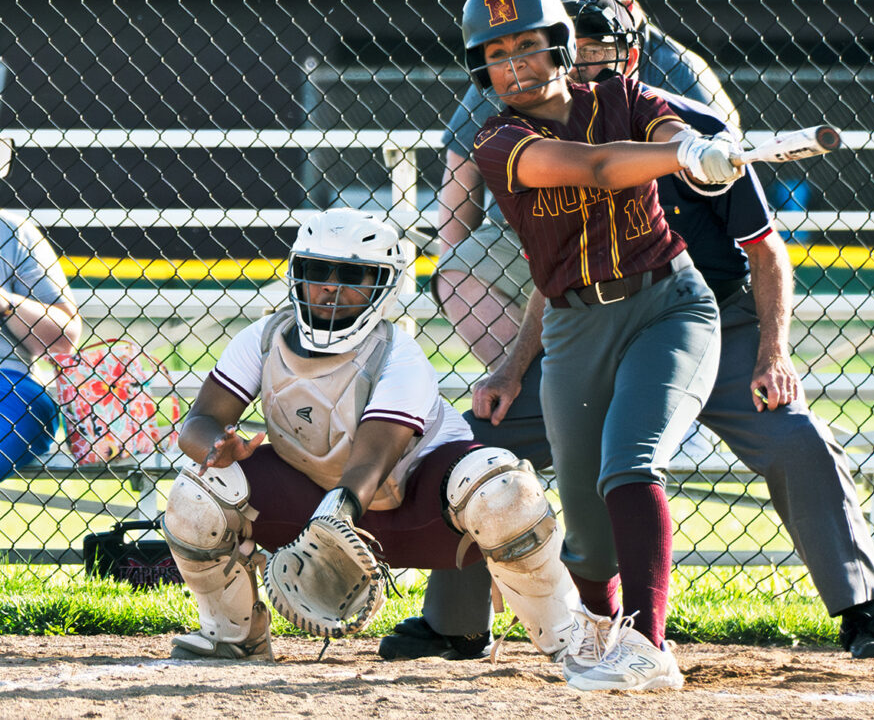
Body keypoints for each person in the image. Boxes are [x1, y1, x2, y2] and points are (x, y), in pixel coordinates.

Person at [382, 0, 874, 674]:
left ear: (633, 58)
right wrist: (513, 370)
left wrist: (773, 353)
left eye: (605, 56)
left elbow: (764, 250)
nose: (591, 73)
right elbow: (561, 266)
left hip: (708, 317)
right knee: (481, 443)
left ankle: (868, 610)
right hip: (585, 325)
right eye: (584, 57)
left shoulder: (679, 120)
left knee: (795, 437)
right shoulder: (512, 137)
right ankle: (456, 625)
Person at [435, 0, 742, 692]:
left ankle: (648, 647)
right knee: (586, 522)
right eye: (497, 54)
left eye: (530, 47)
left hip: (667, 305)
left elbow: (664, 124)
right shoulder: (499, 140)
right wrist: (676, 157)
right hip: (572, 325)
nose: (514, 65)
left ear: (562, 49)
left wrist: (690, 149)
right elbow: (599, 166)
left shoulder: (623, 98)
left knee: (629, 464)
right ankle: (604, 639)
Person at [161, 208, 586, 667]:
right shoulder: (263, 338)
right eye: (318, 271)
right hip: (318, 503)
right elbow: (200, 421)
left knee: (503, 490)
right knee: (197, 491)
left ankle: (572, 643)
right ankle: (233, 635)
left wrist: (332, 522)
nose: (331, 287)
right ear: (296, 273)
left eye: (354, 276)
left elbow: (374, 456)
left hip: (424, 517)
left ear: (384, 286)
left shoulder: (399, 353)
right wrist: (215, 447)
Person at [549, 0, 740, 128]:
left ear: (628, 8)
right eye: (567, 12)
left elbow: (724, 139)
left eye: (592, 12)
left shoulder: (677, 68)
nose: (577, 20)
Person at [0, 211, 82, 480]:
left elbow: (63, 340)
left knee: (24, 410)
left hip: (6, 384)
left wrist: (7, 303)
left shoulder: (12, 231)